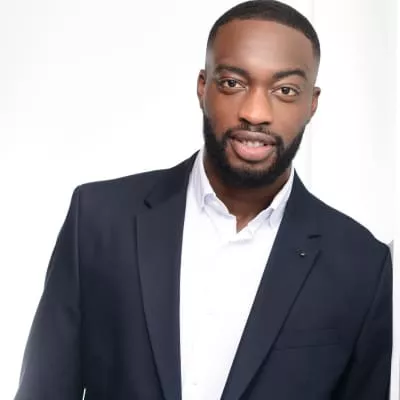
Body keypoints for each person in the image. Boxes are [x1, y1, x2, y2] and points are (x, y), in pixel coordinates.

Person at [14, 1, 392, 399]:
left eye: (285, 90)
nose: (255, 113)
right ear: (203, 87)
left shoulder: (362, 267)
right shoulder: (100, 219)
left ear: (311, 103)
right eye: (233, 83)